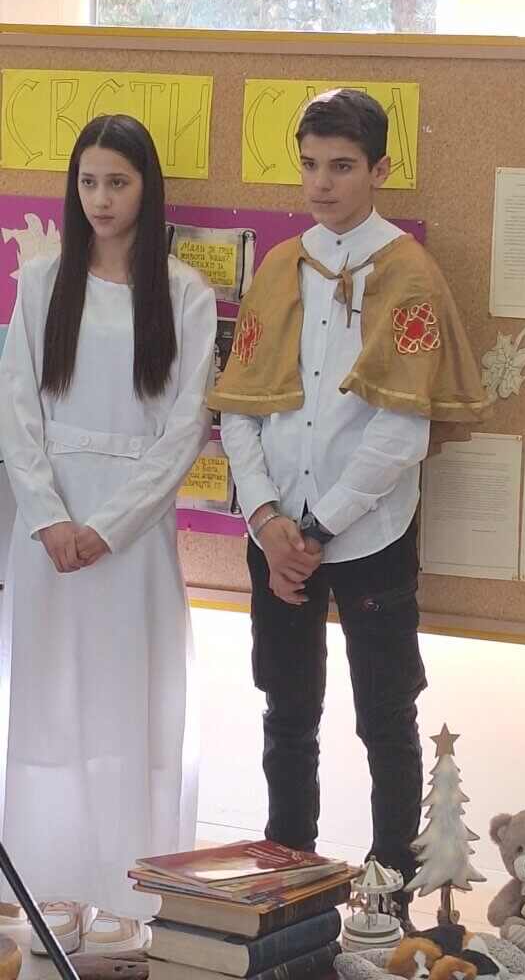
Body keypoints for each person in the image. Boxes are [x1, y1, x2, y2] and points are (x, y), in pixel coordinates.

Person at [209, 89, 490, 926]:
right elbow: (240, 407)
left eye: (340, 166)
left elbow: (401, 430)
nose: (321, 184)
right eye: (309, 165)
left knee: (385, 719)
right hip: (278, 535)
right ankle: (288, 880)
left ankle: (385, 899)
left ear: (379, 170)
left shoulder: (408, 274)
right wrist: (267, 521)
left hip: (368, 536)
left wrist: (316, 528)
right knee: (287, 712)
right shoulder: (279, 267)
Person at [0, 114, 216, 952]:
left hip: (132, 533)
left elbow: (186, 426)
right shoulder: (42, 281)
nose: (100, 198)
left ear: (146, 189)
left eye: (117, 182)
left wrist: (110, 527)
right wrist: (49, 516)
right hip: (46, 527)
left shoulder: (185, 293)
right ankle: (48, 881)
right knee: (48, 702)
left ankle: (131, 890)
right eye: (88, 181)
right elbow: (16, 406)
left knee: (134, 700)